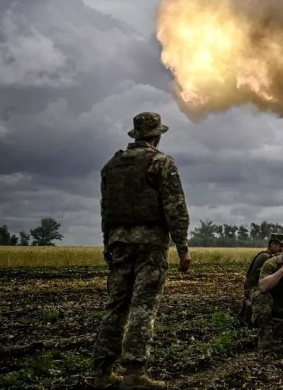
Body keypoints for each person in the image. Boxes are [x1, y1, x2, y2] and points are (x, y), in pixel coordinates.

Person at [92, 112, 191, 389]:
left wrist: (107, 243)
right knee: (143, 307)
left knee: (115, 307)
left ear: (136, 135)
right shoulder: (161, 162)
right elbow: (175, 208)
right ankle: (134, 372)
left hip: (118, 242)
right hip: (150, 244)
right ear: (157, 135)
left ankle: (102, 372)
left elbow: (106, 211)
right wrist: (182, 247)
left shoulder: (111, 166)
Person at [240, 233, 283, 325]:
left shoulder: (269, 256)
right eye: (280, 246)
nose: (282, 249)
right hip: (253, 287)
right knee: (263, 297)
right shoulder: (266, 257)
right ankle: (261, 322)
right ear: (272, 244)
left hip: (262, 284)